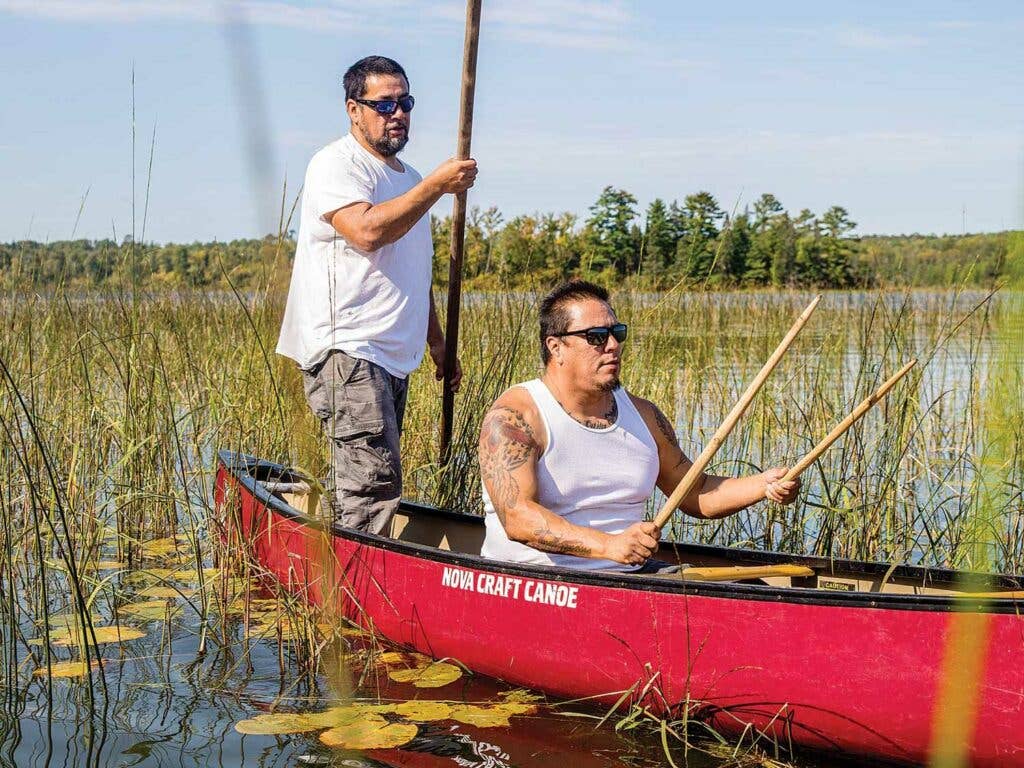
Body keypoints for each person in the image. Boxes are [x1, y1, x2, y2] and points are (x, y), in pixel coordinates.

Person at [277, 55, 475, 534]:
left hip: (390, 355)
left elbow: (413, 274)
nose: (398, 113)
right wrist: (436, 187)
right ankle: (355, 593)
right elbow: (365, 232)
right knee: (374, 483)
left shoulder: (408, 179)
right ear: (353, 109)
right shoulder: (335, 164)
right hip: (348, 348)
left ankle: (337, 547)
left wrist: (438, 344)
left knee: (367, 474)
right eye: (384, 104)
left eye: (405, 102)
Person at [478, 280, 800, 572]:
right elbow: (518, 517)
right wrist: (609, 545)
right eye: (596, 337)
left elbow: (696, 493)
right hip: (539, 582)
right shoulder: (516, 416)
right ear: (556, 347)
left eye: (617, 333)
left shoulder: (644, 415)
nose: (613, 346)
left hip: (630, 576)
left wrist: (764, 485)